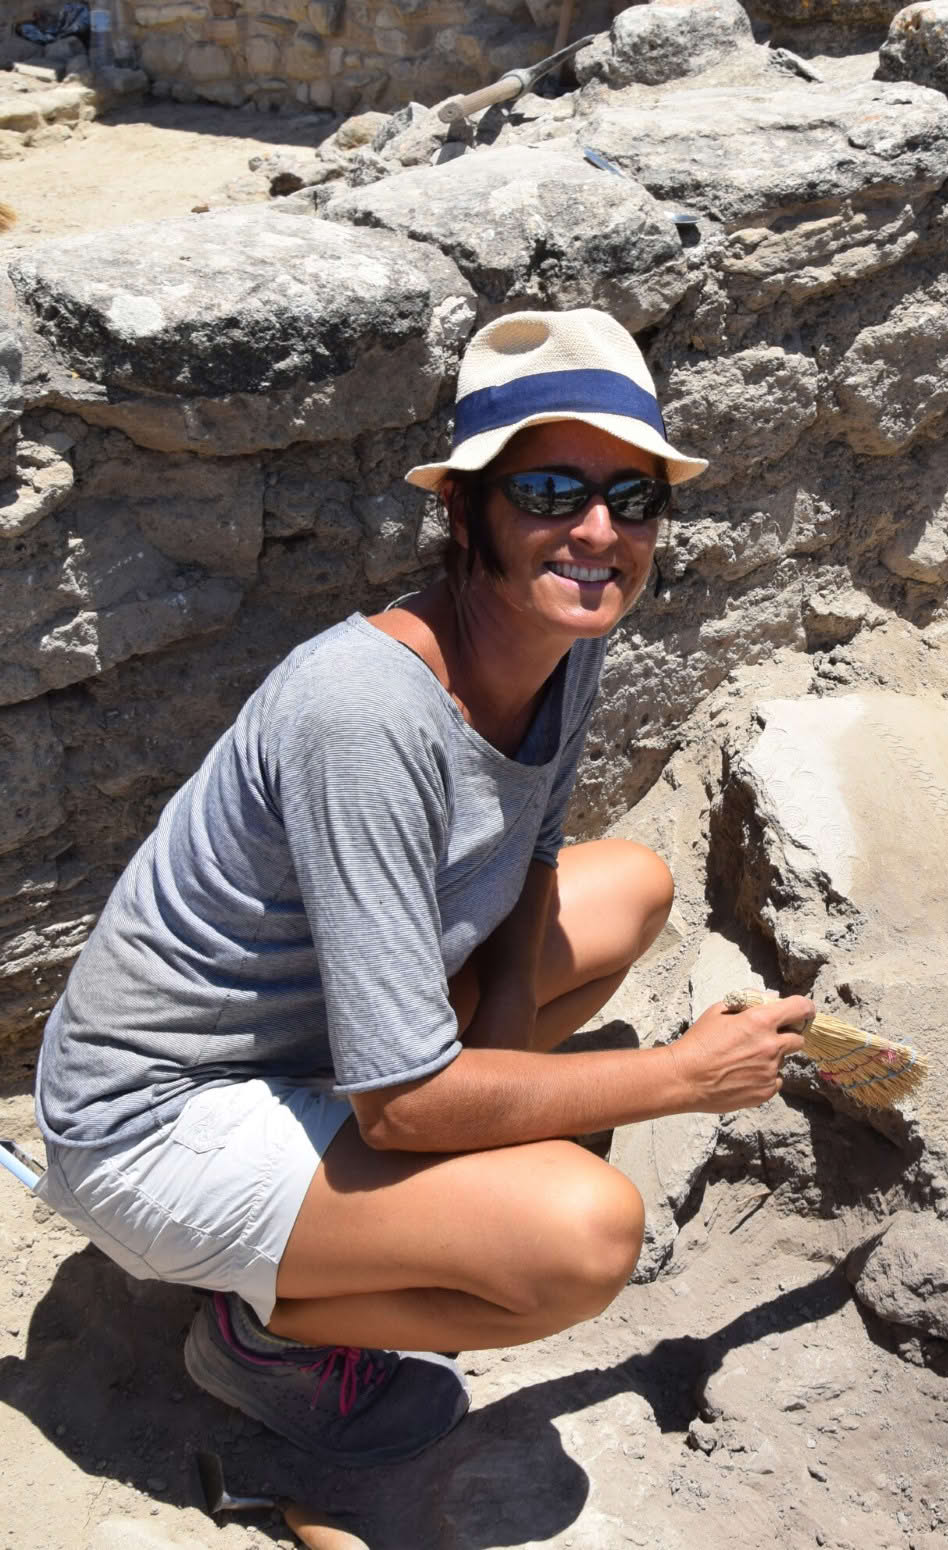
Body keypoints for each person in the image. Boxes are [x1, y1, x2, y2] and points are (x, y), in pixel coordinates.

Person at [32, 309, 816, 1461]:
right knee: (585, 1236)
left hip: (323, 1039)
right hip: (156, 1117)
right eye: (550, 492)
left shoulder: (565, 630)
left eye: (632, 497)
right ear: (464, 512)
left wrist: (492, 1094)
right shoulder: (365, 710)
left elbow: (535, 862)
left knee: (629, 888)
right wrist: (678, 1078)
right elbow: (400, 1105)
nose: (597, 532)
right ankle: (268, 1341)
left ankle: (376, 1217)